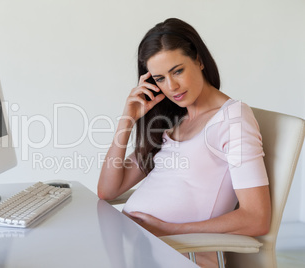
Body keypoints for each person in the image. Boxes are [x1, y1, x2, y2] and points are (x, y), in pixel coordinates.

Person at [97, 18, 271, 267]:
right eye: (159, 79)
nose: (172, 87)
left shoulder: (232, 119)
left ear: (199, 60)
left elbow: (257, 217)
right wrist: (128, 119)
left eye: (177, 71)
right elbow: (108, 191)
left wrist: (170, 230)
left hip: (175, 254)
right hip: (133, 249)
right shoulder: (173, 120)